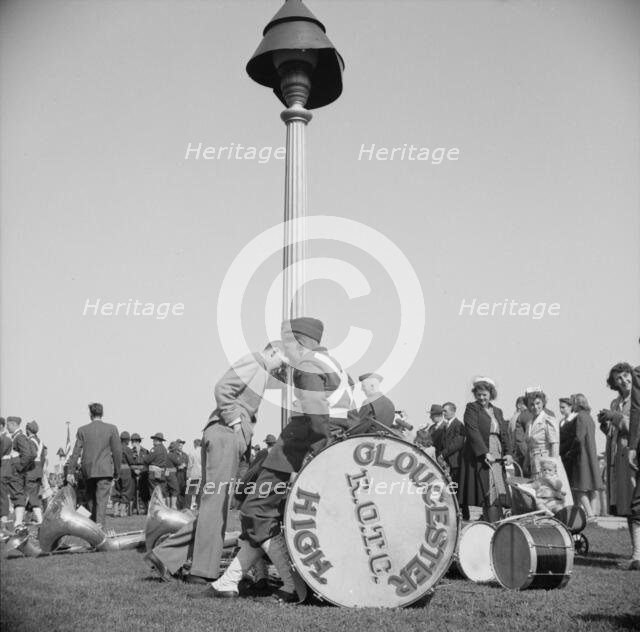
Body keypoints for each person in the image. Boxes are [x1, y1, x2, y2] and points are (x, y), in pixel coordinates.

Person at [199, 317, 352, 603]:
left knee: (255, 510)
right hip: (308, 446)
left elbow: (318, 421)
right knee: (264, 516)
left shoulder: (308, 366)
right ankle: (228, 583)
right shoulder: (331, 363)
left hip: (295, 449)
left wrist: (315, 459)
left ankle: (293, 587)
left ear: (299, 342)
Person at [147, 341, 286, 585]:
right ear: (273, 351)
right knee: (215, 506)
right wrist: (234, 423)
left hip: (226, 437)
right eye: (281, 362)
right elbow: (223, 387)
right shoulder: (255, 361)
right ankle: (201, 571)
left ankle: (166, 556)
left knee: (216, 509)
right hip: (225, 435)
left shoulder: (262, 368)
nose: (280, 368)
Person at [458, 377, 512, 522]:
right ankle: (490, 520)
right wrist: (484, 452)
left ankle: (496, 520)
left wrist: (508, 453)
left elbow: (504, 433)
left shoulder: (497, 411)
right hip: (482, 452)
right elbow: (472, 430)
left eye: (485, 394)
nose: (482, 397)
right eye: (479, 394)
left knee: (498, 487)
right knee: (487, 488)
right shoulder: (472, 408)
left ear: (491, 394)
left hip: (497, 451)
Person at [599, 362, 637, 566]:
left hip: (634, 457)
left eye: (626, 375)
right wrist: (607, 426)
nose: (624, 381)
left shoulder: (637, 400)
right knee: (629, 507)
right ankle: (637, 553)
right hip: (619, 460)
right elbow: (616, 431)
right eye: (619, 379)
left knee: (637, 505)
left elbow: (633, 428)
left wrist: (616, 418)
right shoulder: (616, 402)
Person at [66, 403, 121, 527]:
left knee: (91, 502)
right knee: (101, 503)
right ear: (102, 413)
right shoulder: (112, 428)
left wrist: (70, 471)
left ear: (90, 414)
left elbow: (75, 453)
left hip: (88, 471)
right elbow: (117, 452)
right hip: (105, 470)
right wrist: (117, 471)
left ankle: (91, 531)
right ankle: (99, 532)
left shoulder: (82, 430)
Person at [523, 388, 572, 507]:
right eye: (532, 404)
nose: (535, 407)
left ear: (543, 403)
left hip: (547, 462)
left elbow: (554, 444)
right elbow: (530, 445)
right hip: (535, 462)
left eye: (538, 403)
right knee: (539, 494)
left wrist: (552, 467)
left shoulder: (548, 420)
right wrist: (526, 461)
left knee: (551, 495)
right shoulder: (530, 423)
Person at [569, 393, 602, 519]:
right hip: (591, 454)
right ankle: (593, 515)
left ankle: (590, 514)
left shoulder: (580, 418)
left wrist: (570, 451)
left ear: (577, 404)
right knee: (592, 488)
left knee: (580, 488)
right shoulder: (589, 417)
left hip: (582, 456)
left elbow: (579, 438)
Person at [6, 416, 35, 529]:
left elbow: (29, 454)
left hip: (16, 472)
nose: (7, 427)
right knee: (16, 494)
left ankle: (18, 522)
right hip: (15, 471)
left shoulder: (19, 437)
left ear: (13, 424)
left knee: (18, 495)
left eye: (8, 425)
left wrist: (19, 467)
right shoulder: (19, 437)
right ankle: (18, 522)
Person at [440, 402, 467, 519]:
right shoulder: (448, 425)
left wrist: (443, 454)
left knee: (457, 488)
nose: (443, 413)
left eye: (445, 411)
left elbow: (458, 443)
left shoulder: (458, 425)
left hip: (456, 461)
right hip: (449, 461)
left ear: (452, 411)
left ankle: (463, 514)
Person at [626, 342, 640, 570]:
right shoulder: (637, 375)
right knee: (637, 502)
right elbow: (636, 411)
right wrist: (632, 446)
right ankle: (638, 555)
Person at [25, 420, 45, 524]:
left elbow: (31, 455)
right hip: (38, 470)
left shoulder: (30, 441)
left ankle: (40, 519)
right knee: (33, 494)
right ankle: (27, 518)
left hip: (31, 470)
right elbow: (43, 458)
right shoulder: (40, 441)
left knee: (31, 495)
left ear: (28, 430)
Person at [111, 431, 135, 517]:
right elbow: (131, 461)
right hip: (125, 471)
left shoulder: (115, 448)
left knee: (116, 490)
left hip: (116, 470)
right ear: (127, 440)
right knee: (126, 490)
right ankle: (122, 512)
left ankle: (115, 511)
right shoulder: (127, 449)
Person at [558, 396, 577, 488]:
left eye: (563, 407)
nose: (561, 410)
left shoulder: (574, 419)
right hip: (563, 456)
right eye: (560, 407)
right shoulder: (561, 421)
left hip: (571, 456)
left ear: (570, 407)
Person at [142, 433, 169, 498]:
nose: (153, 442)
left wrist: (144, 456)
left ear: (157, 440)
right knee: (161, 491)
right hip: (162, 473)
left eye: (154, 440)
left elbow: (147, 460)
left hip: (154, 473)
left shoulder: (155, 449)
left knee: (154, 491)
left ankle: (155, 507)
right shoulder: (164, 449)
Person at [508, 396, 530, 474]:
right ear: (519, 405)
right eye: (526, 405)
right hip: (520, 453)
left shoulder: (513, 418)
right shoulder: (518, 417)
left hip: (516, 453)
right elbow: (518, 439)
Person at [130, 433, 149, 515]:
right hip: (132, 474)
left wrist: (141, 471)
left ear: (138, 442)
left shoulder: (145, 451)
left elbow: (148, 464)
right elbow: (128, 463)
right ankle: (133, 509)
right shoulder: (130, 452)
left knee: (144, 492)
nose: (133, 443)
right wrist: (134, 470)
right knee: (133, 492)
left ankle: (146, 508)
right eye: (132, 441)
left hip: (143, 474)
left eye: (134, 441)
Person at [0, 418, 13, 535]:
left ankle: (3, 526)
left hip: (3, 471)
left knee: (3, 498)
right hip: (3, 470)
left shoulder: (5, 439)